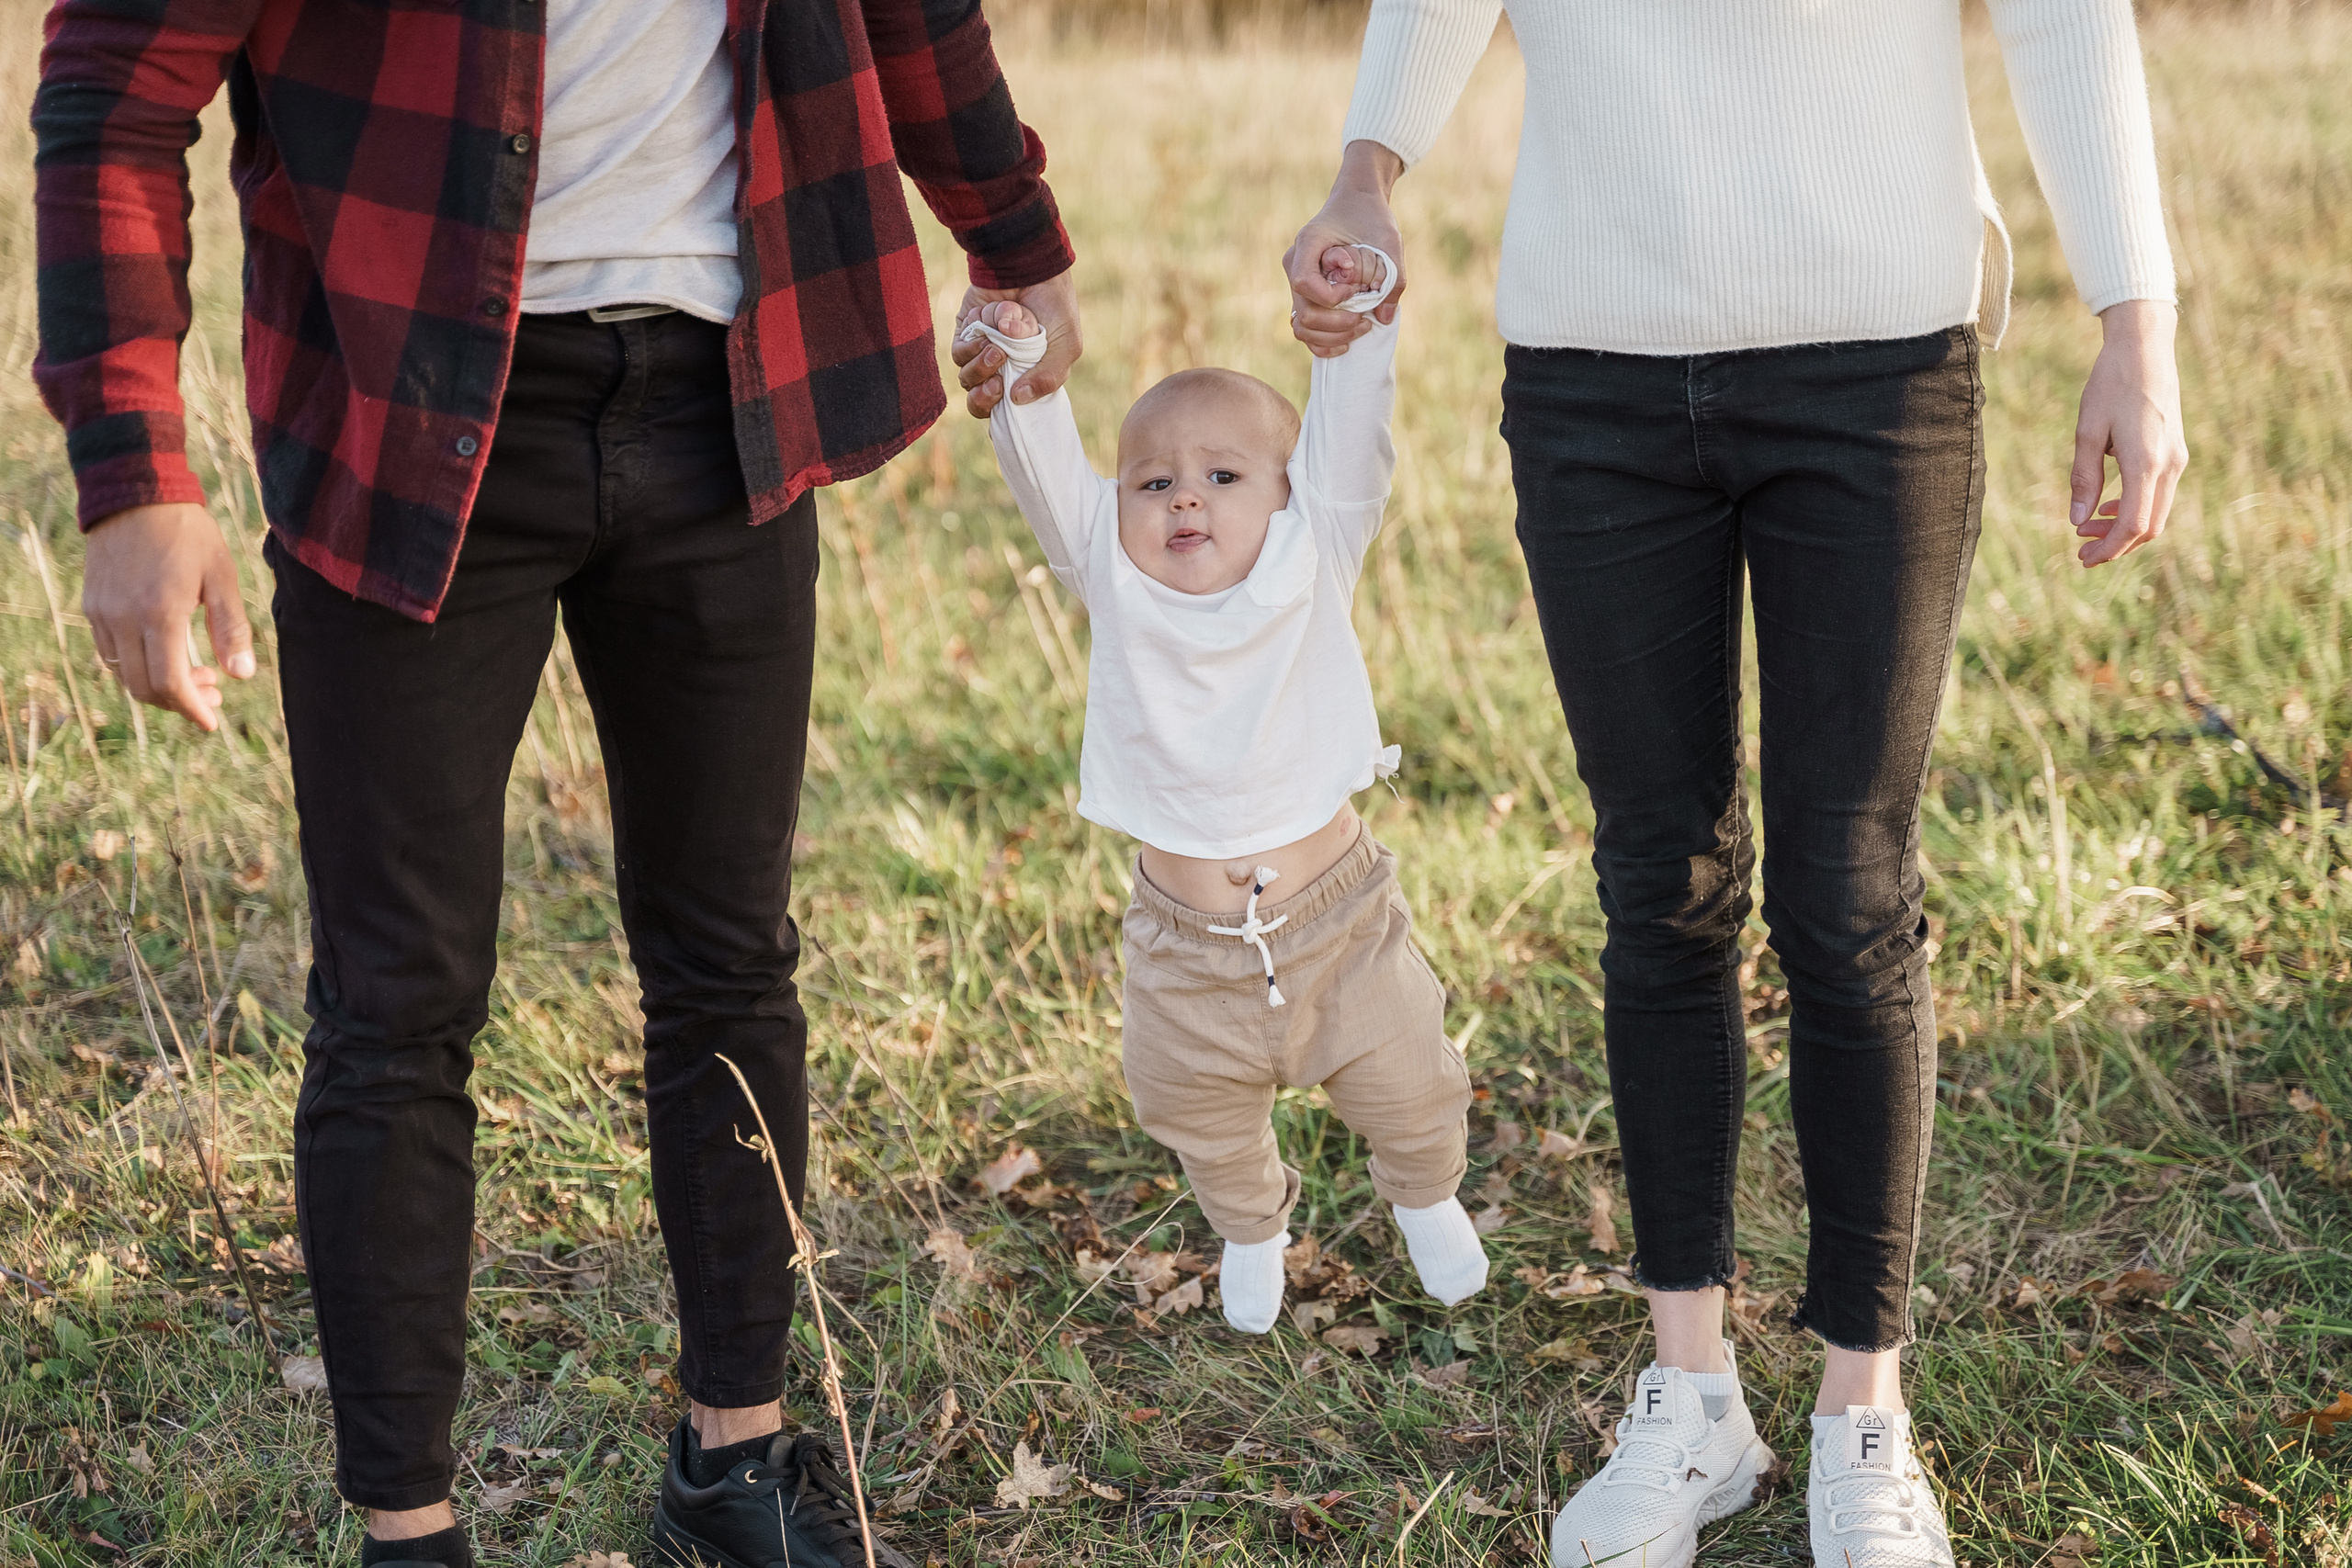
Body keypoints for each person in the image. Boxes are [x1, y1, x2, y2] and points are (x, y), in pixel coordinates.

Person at [33, 2, 1080, 1564]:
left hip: (727, 390)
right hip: (412, 405)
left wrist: (1014, 234)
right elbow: (116, 97)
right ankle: (413, 1532)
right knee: (397, 1001)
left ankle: (734, 1469)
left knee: (731, 961)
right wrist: (132, 471)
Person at [1280, 3, 2187, 1564]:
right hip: (1594, 370)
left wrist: (2137, 324)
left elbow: (2063, 16)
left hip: (1877, 364)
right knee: (1660, 882)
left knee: (1850, 894)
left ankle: (1862, 1410)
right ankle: (1693, 1396)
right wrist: (1368, 170)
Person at [957, 249, 1490, 1335]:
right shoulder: (1109, 571)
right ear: (1118, 506)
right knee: (1190, 1106)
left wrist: (1357, 321)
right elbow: (1041, 463)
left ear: (1288, 497)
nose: (1185, 496)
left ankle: (1424, 1196)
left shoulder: (1314, 551)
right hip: (1183, 949)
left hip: (1340, 927)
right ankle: (1252, 1230)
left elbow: (1351, 434)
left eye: (1223, 476)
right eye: (1153, 482)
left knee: (1410, 1082)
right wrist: (1019, 363)